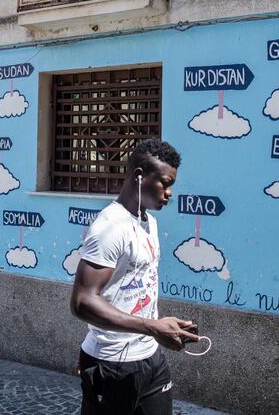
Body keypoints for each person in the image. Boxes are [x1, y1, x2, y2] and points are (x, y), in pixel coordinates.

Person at [71, 138, 199, 415]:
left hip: (150, 359)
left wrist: (162, 327)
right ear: (139, 176)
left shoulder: (148, 221)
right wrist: (152, 327)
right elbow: (82, 302)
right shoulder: (110, 227)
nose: (169, 192)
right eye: (164, 183)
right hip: (111, 363)